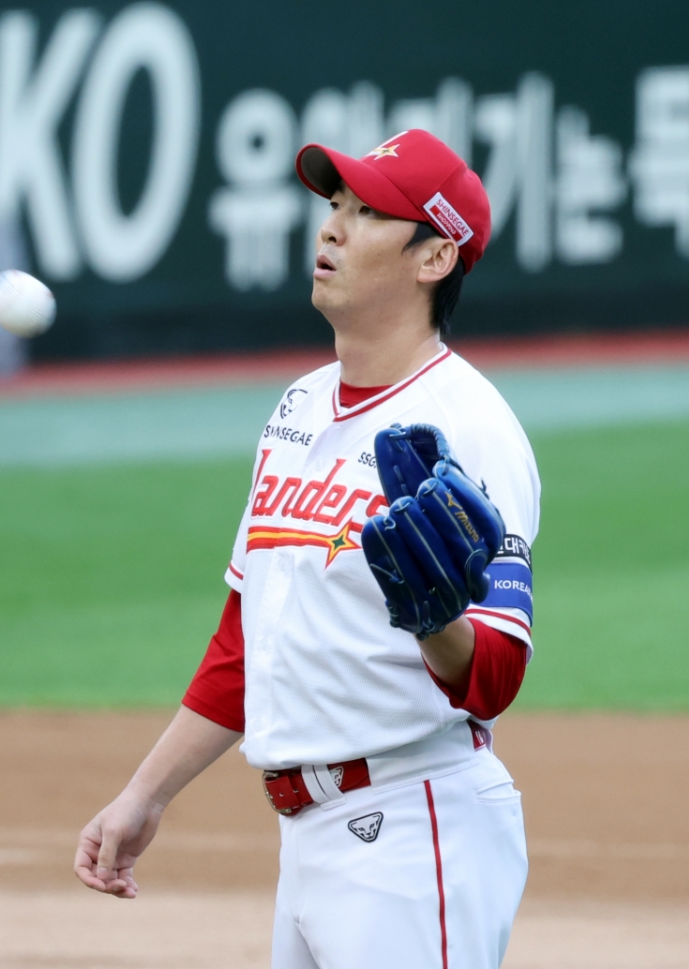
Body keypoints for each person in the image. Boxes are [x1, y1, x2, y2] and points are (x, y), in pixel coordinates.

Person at [74, 129, 540, 969]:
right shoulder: (297, 407)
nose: (331, 228)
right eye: (334, 205)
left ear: (436, 256)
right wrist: (146, 793)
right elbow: (247, 638)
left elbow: (497, 672)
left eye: (368, 214)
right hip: (308, 841)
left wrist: (436, 623)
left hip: (414, 832)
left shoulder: (471, 426)